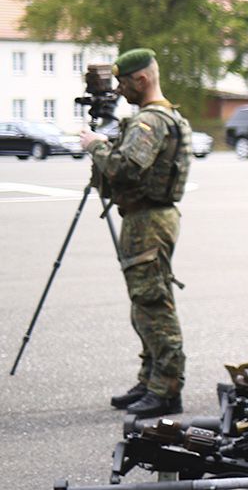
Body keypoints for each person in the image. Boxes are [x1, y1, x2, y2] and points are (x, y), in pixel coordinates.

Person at [79, 48, 193, 418]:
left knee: (152, 304)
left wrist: (95, 145)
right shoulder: (160, 117)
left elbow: (127, 168)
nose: (119, 90)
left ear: (141, 80)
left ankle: (166, 388)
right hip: (146, 218)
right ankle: (151, 379)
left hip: (148, 222)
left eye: (124, 82)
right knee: (143, 303)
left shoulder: (151, 121)